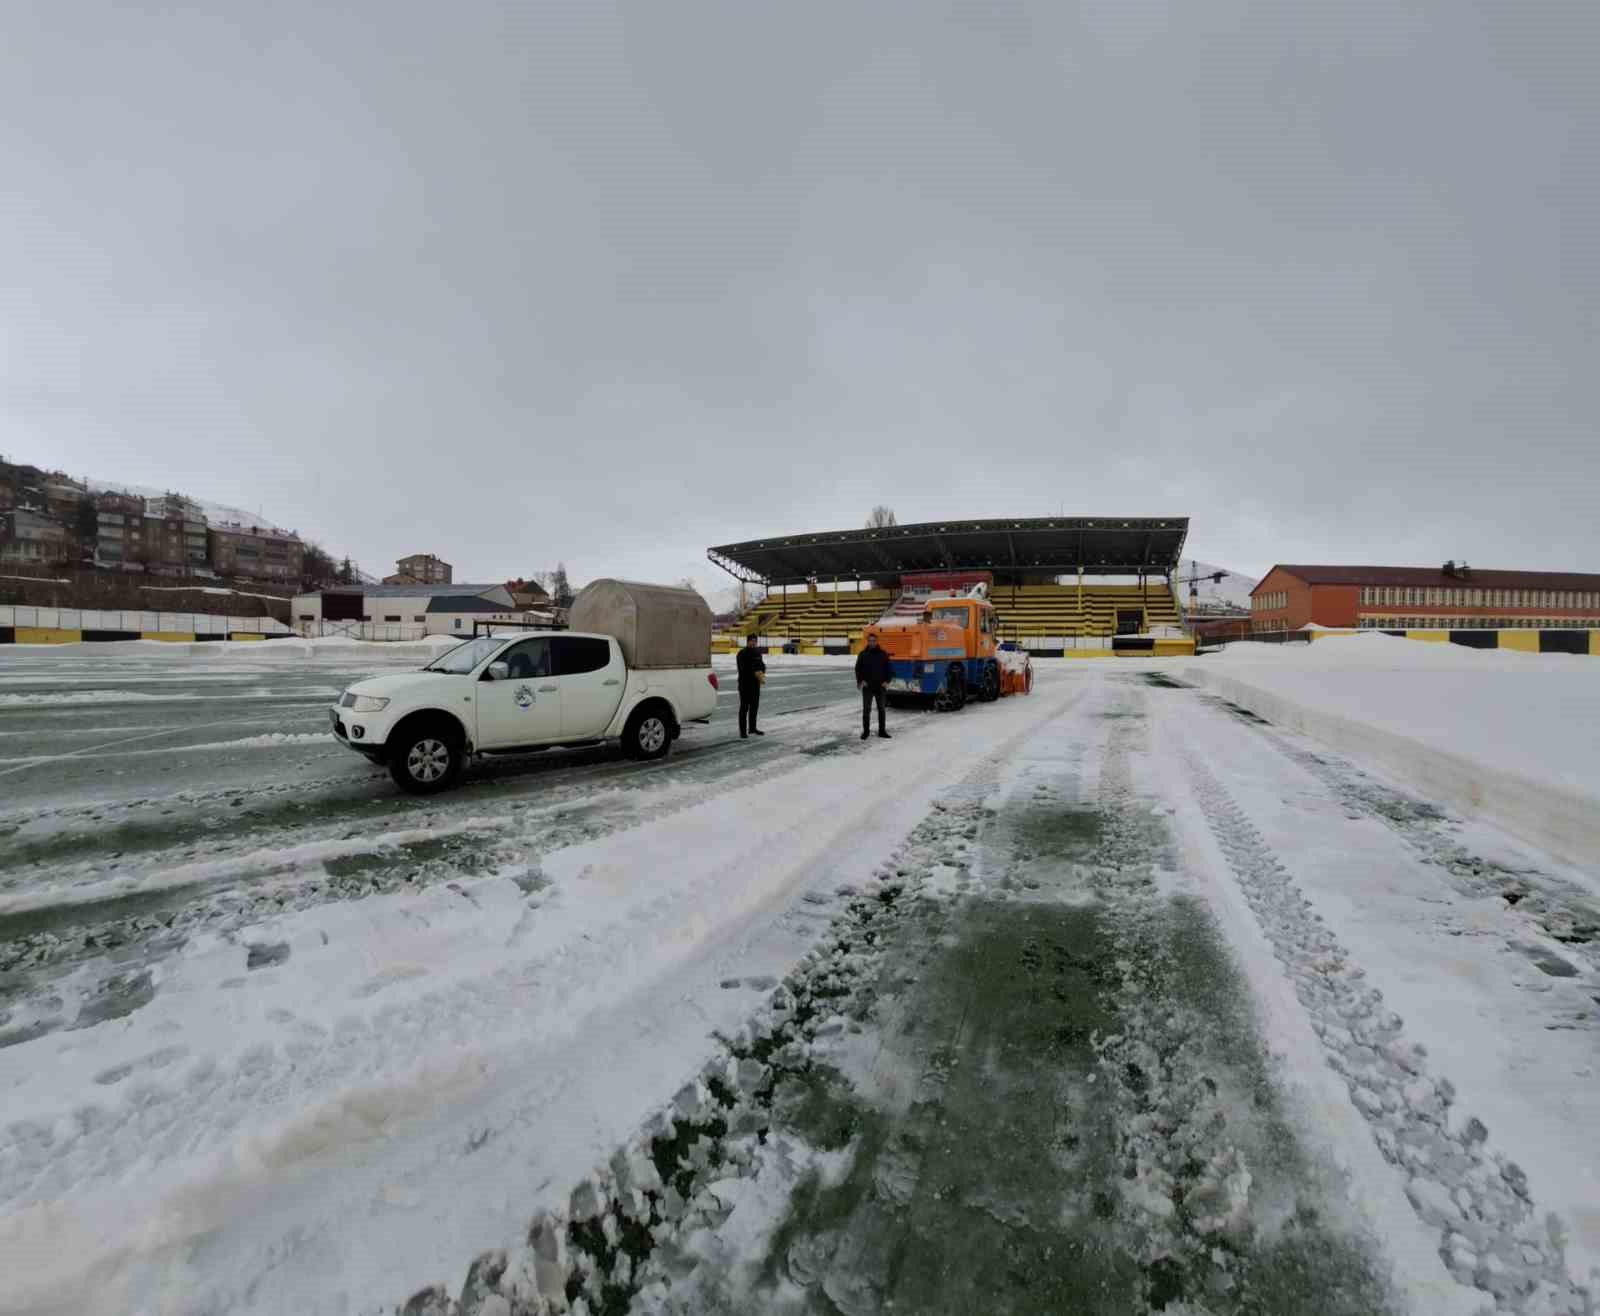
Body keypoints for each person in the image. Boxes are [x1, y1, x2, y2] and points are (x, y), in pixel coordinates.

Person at [855, 631, 892, 740]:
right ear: (867, 642)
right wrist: (860, 681)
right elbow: (858, 669)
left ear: (877, 641)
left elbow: (889, 669)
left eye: (874, 641)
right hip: (868, 687)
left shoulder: (883, 654)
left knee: (881, 709)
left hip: (880, 687)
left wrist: (887, 681)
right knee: (866, 710)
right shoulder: (862, 654)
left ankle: (882, 731)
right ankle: (866, 732)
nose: (872, 643)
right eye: (870, 641)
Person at [735, 633, 766, 738]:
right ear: (747, 641)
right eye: (751, 641)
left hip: (755, 685)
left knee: (754, 707)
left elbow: (762, 665)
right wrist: (754, 672)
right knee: (744, 708)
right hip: (745, 685)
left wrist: (762, 672)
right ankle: (742, 731)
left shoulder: (758, 652)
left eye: (755, 641)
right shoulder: (742, 653)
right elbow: (742, 669)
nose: (753, 643)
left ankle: (752, 728)